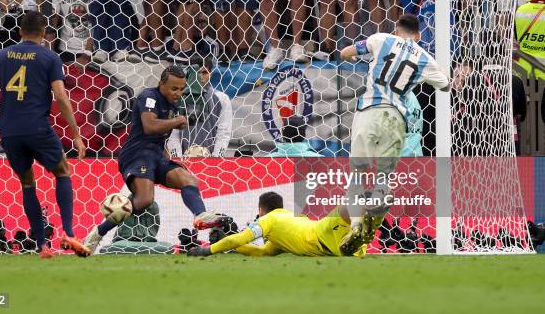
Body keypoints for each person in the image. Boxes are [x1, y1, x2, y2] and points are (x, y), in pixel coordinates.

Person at [0, 11, 91, 258]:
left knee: (28, 182)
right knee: (62, 171)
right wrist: (75, 134)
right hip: (38, 128)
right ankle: (70, 233)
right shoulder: (50, 57)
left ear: (20, 31)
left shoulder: (1, 56)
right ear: (44, 33)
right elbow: (61, 97)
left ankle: (42, 245)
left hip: (8, 132)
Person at [83, 65, 230, 252]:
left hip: (157, 156)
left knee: (188, 179)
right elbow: (150, 127)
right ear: (162, 84)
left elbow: (162, 137)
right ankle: (98, 233)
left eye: (182, 88)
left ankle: (200, 215)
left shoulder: (173, 104)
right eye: (174, 88)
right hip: (137, 154)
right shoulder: (149, 96)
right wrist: (177, 121)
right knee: (144, 199)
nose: (178, 93)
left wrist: (170, 160)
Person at [339, 14, 450, 254]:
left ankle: (356, 225)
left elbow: (345, 52)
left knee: (357, 175)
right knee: (382, 179)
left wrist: (365, 55)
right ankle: (374, 218)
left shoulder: (381, 39)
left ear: (395, 30)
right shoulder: (423, 56)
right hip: (397, 118)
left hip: (369, 110)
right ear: (418, 36)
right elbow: (446, 84)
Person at [187, 191, 366, 257]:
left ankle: (361, 219)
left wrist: (208, 250)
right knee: (347, 210)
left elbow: (241, 239)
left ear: (261, 210)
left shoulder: (268, 220)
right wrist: (226, 240)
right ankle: (365, 221)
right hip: (340, 243)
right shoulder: (294, 217)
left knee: (349, 206)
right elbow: (263, 251)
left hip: (323, 240)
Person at [167, 57, 232, 158]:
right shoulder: (178, 97)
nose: (200, 77)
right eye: (197, 72)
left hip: (211, 159)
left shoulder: (222, 99)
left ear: (211, 74)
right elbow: (173, 132)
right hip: (182, 158)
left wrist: (216, 159)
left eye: (204, 73)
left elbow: (224, 132)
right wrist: (177, 158)